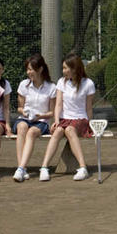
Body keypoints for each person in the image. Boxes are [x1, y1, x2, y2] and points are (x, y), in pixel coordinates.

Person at [39, 53, 95, 182]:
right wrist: (57, 121)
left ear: (74, 68)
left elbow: (88, 108)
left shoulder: (88, 84)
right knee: (58, 131)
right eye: (63, 68)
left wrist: (90, 124)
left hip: (80, 119)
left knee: (69, 130)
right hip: (65, 119)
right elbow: (58, 105)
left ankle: (82, 168)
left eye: (65, 68)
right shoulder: (61, 82)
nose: (63, 71)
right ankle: (44, 168)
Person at [12, 54, 57, 182]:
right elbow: (19, 108)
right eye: (27, 69)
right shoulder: (23, 85)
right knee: (21, 127)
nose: (29, 72)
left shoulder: (51, 87)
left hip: (41, 121)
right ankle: (22, 168)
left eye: (31, 69)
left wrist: (41, 116)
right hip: (25, 118)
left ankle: (20, 168)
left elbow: (52, 112)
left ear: (40, 69)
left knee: (31, 133)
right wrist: (24, 113)